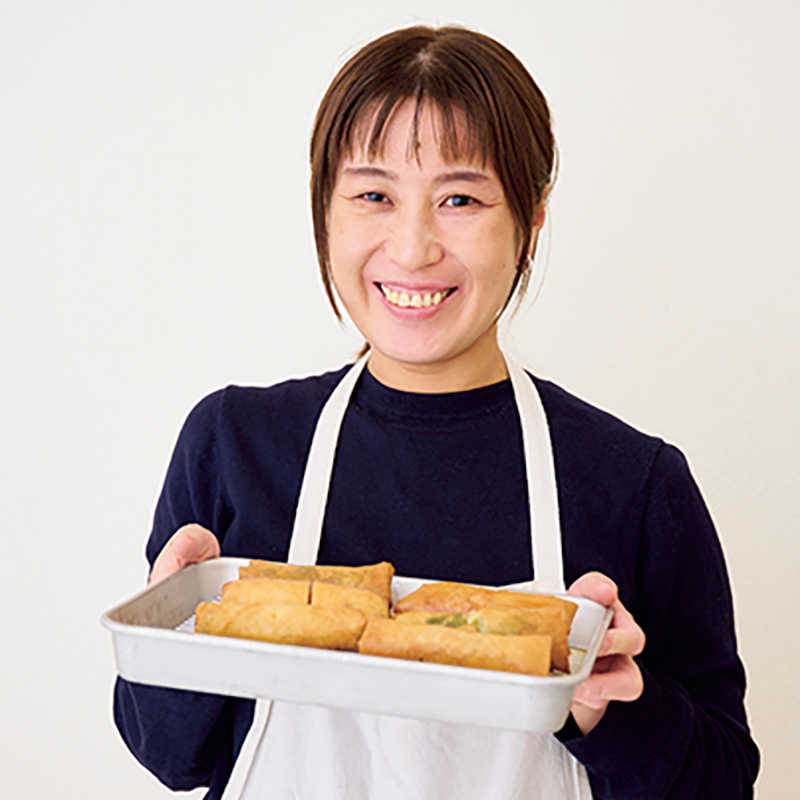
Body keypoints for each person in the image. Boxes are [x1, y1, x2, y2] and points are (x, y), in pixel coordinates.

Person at [114, 25, 759, 799]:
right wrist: (172, 641)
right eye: (373, 195)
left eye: (460, 198)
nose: (413, 248)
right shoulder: (234, 445)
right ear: (326, 210)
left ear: (532, 219)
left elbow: (724, 782)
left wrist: (612, 707)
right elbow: (172, 759)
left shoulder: (634, 482)